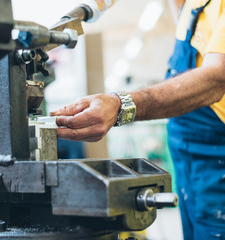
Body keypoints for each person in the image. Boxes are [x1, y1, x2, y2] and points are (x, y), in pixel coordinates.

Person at [50, 0, 225, 239]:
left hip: (218, 163)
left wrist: (121, 104)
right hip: (191, 170)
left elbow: (216, 80)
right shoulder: (190, 6)